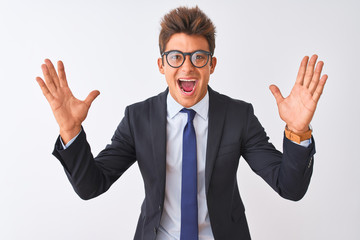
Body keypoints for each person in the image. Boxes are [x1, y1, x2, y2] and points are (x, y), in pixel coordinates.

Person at [36, 6, 327, 240]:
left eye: (198, 57)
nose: (187, 67)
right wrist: (70, 130)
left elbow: (290, 187)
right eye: (176, 57)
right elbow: (91, 186)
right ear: (161, 65)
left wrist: (298, 131)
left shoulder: (239, 116)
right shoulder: (138, 118)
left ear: (211, 65)